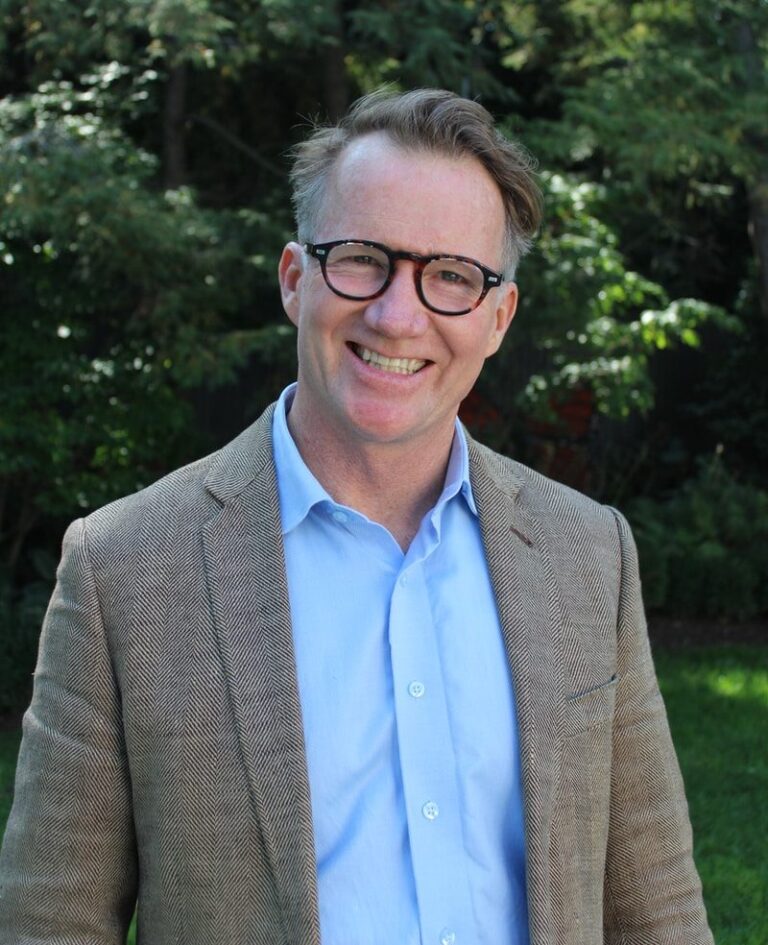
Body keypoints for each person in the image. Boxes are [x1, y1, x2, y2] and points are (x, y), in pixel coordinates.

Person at [0, 89, 713, 945]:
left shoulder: (589, 553)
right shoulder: (123, 571)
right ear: (297, 279)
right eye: (363, 258)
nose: (397, 314)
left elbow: (658, 907)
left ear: (497, 317)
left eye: (450, 274)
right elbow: (50, 922)